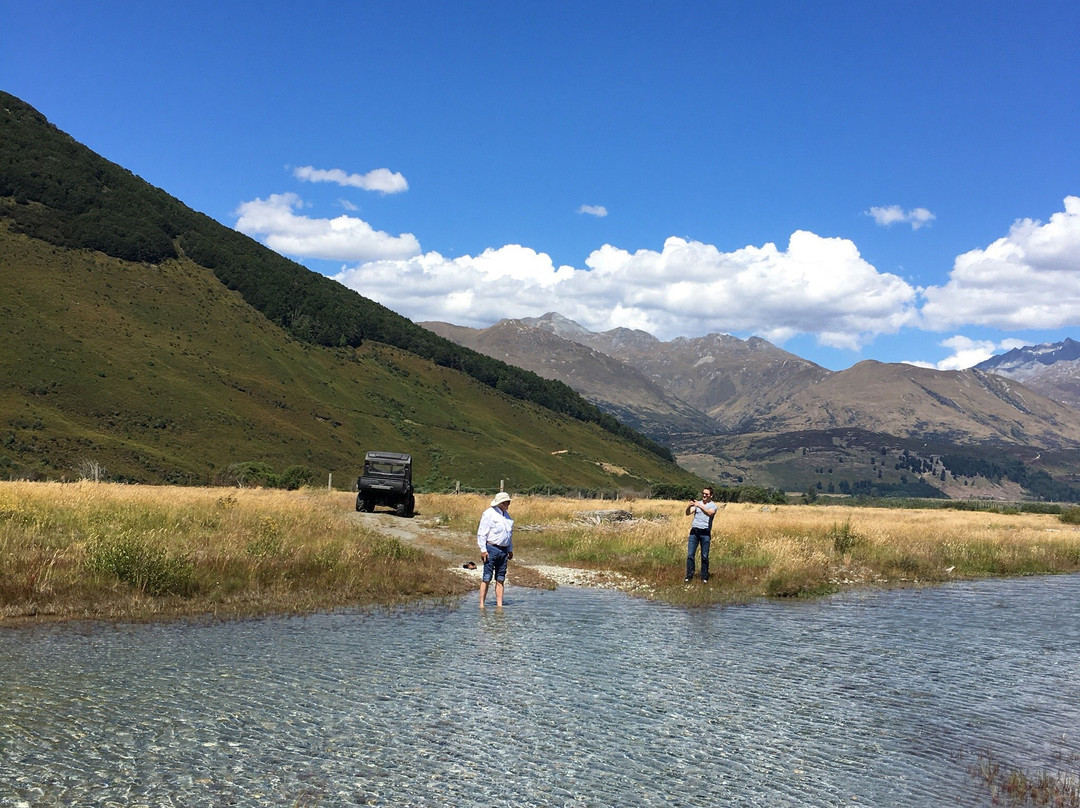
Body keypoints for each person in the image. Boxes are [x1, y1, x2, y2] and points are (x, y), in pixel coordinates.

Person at [477, 491, 514, 607]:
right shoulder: (489, 514)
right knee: (487, 577)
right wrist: (483, 549)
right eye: (507, 502)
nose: (509, 504)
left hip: (503, 551)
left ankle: (499, 605)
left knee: (500, 578)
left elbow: (509, 535)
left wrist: (510, 549)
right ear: (501, 503)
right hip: (491, 548)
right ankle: (482, 604)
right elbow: (482, 533)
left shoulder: (507, 516)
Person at [684, 487, 717, 583]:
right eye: (703, 493)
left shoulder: (713, 506)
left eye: (706, 494)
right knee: (690, 555)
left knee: (704, 556)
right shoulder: (697, 504)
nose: (704, 495)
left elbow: (710, 513)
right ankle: (689, 576)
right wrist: (689, 506)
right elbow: (687, 513)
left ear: (711, 495)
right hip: (694, 532)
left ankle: (704, 577)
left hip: (705, 533)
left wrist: (700, 506)